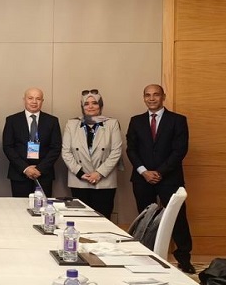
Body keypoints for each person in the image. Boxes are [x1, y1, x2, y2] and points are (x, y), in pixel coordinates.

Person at [126, 84, 194, 273]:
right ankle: (146, 256)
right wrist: (144, 172)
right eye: (148, 95)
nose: (152, 98)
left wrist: (160, 172)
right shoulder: (136, 121)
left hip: (170, 178)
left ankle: (184, 259)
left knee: (178, 219)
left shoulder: (178, 120)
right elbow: (131, 149)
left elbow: (180, 150)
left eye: (156, 95)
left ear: (163, 97)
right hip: (142, 179)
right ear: (144, 98)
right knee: (145, 219)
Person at [61, 89, 122, 218]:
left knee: (103, 218)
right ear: (82, 107)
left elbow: (116, 152)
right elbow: (66, 152)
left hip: (104, 181)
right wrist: (80, 173)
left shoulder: (112, 124)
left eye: (94, 103)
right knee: (80, 219)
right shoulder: (72, 124)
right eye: (86, 104)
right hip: (79, 180)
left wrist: (99, 173)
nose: (90, 106)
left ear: (100, 105)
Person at [2, 87, 62, 197]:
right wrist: (25, 168)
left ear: (42, 101)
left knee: (43, 206)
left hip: (44, 174)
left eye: (38, 99)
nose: (34, 102)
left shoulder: (52, 121)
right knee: (20, 206)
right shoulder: (12, 120)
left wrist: (40, 169)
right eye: (30, 98)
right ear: (24, 99)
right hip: (19, 174)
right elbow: (8, 147)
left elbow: (56, 148)